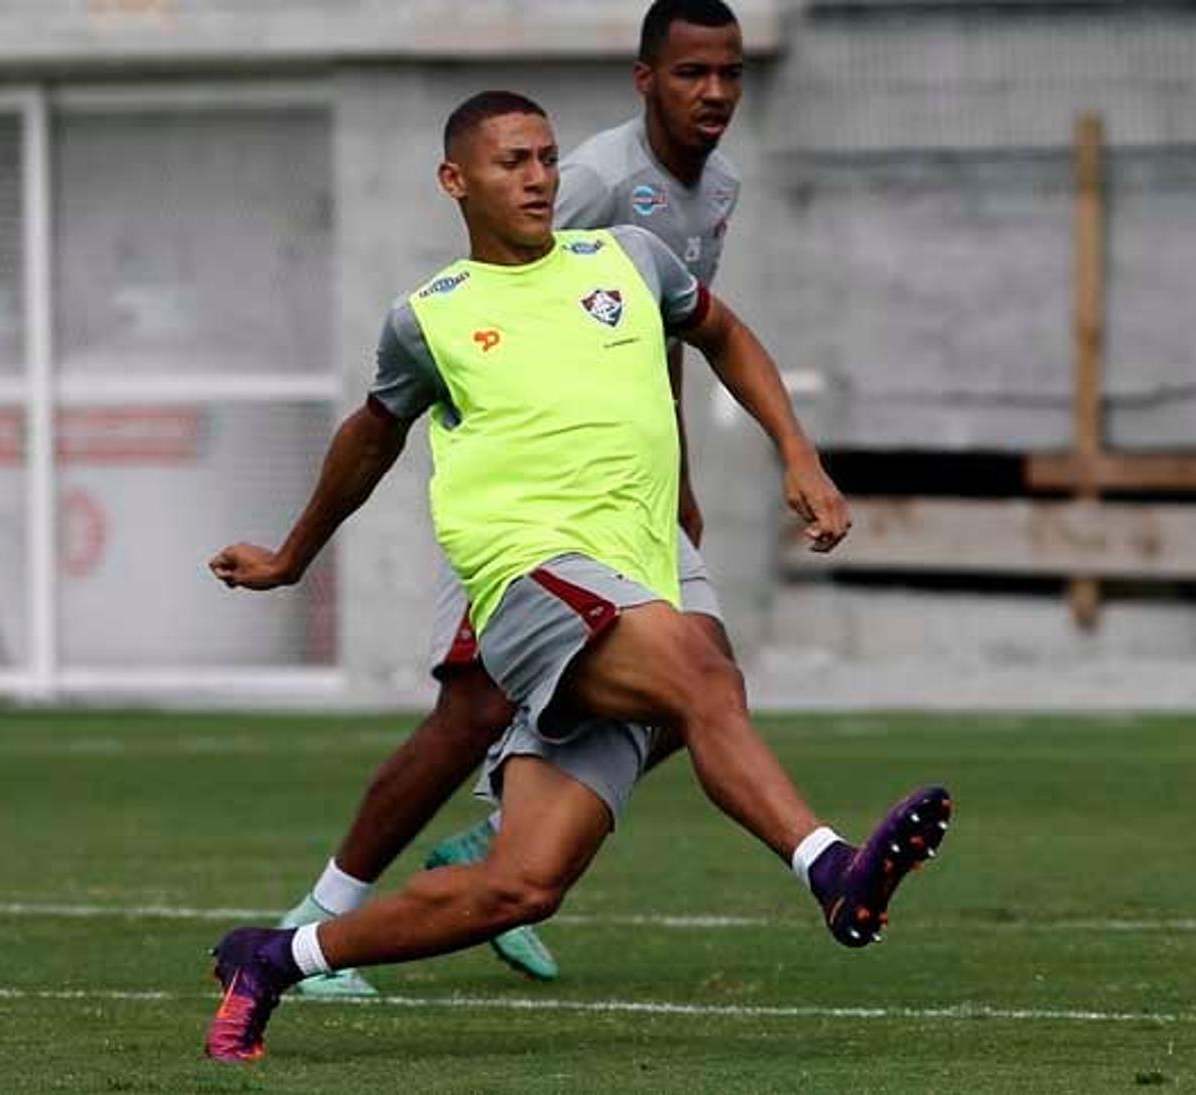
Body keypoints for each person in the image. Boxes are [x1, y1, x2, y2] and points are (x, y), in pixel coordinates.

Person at [201, 90, 952, 1064]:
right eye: (513, 161)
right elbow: (369, 438)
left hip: (633, 575)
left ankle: (278, 958)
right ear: (454, 181)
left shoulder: (627, 262)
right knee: (700, 672)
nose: (539, 177)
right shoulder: (432, 317)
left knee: (522, 885)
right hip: (528, 576)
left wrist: (797, 454)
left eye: (548, 158)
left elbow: (721, 334)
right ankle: (832, 870)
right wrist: (290, 558)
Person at [270, 0, 756, 996]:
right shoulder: (586, 185)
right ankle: (324, 911)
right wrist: (293, 554)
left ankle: (497, 840)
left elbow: (634, 340)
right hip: (523, 516)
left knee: (702, 679)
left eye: (730, 73)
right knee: (470, 711)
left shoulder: (718, 189)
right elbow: (514, 308)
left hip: (615, 500)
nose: (713, 94)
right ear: (644, 79)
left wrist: (676, 482)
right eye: (690, 73)